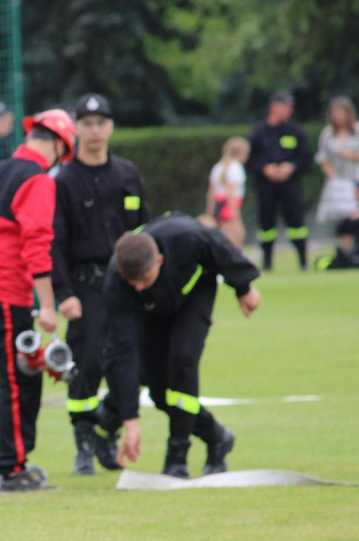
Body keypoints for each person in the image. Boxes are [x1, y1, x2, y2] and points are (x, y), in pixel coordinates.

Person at [0, 108, 75, 492]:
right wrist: (46, 306)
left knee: (17, 375)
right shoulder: (39, 180)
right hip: (6, 290)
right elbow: (36, 245)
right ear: (59, 144)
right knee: (17, 379)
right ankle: (10, 468)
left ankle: (4, 458)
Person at [104, 213, 261, 478]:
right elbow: (123, 353)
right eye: (133, 283)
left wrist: (243, 286)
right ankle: (217, 437)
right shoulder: (118, 284)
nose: (139, 287)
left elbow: (219, 246)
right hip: (154, 311)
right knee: (161, 393)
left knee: (183, 359)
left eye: (144, 278)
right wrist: (130, 421)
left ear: (160, 260)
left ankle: (177, 455)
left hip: (193, 292)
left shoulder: (185, 236)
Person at [52, 93, 150, 475]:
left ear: (111, 127)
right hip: (86, 287)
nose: (94, 130)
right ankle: (83, 441)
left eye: (101, 123)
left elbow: (144, 232)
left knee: (132, 362)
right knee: (87, 364)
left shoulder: (127, 174)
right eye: (87, 123)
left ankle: (106, 431)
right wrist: (63, 293)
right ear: (76, 128)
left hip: (127, 285)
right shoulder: (65, 180)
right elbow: (55, 241)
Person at [247, 91, 312, 271]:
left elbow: (305, 159)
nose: (289, 111)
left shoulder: (296, 131)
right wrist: (264, 168)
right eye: (285, 107)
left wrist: (291, 167)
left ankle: (303, 261)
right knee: (266, 224)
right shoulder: (259, 132)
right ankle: (267, 262)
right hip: (265, 186)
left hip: (290, 185)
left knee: (296, 222)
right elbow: (250, 159)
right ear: (274, 107)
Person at [314, 96, 359, 225]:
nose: (338, 117)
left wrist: (351, 155)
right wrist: (336, 179)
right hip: (339, 180)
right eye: (335, 113)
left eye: (341, 113)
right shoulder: (327, 134)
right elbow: (322, 159)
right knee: (342, 218)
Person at [314, 179, 359, 270]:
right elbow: (341, 229)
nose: (356, 191)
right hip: (358, 249)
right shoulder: (357, 211)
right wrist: (355, 216)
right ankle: (350, 259)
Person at [204, 136, 250, 248]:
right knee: (236, 235)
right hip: (229, 205)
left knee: (226, 235)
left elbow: (211, 191)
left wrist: (210, 210)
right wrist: (235, 212)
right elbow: (231, 191)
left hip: (220, 204)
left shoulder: (218, 166)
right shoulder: (236, 167)